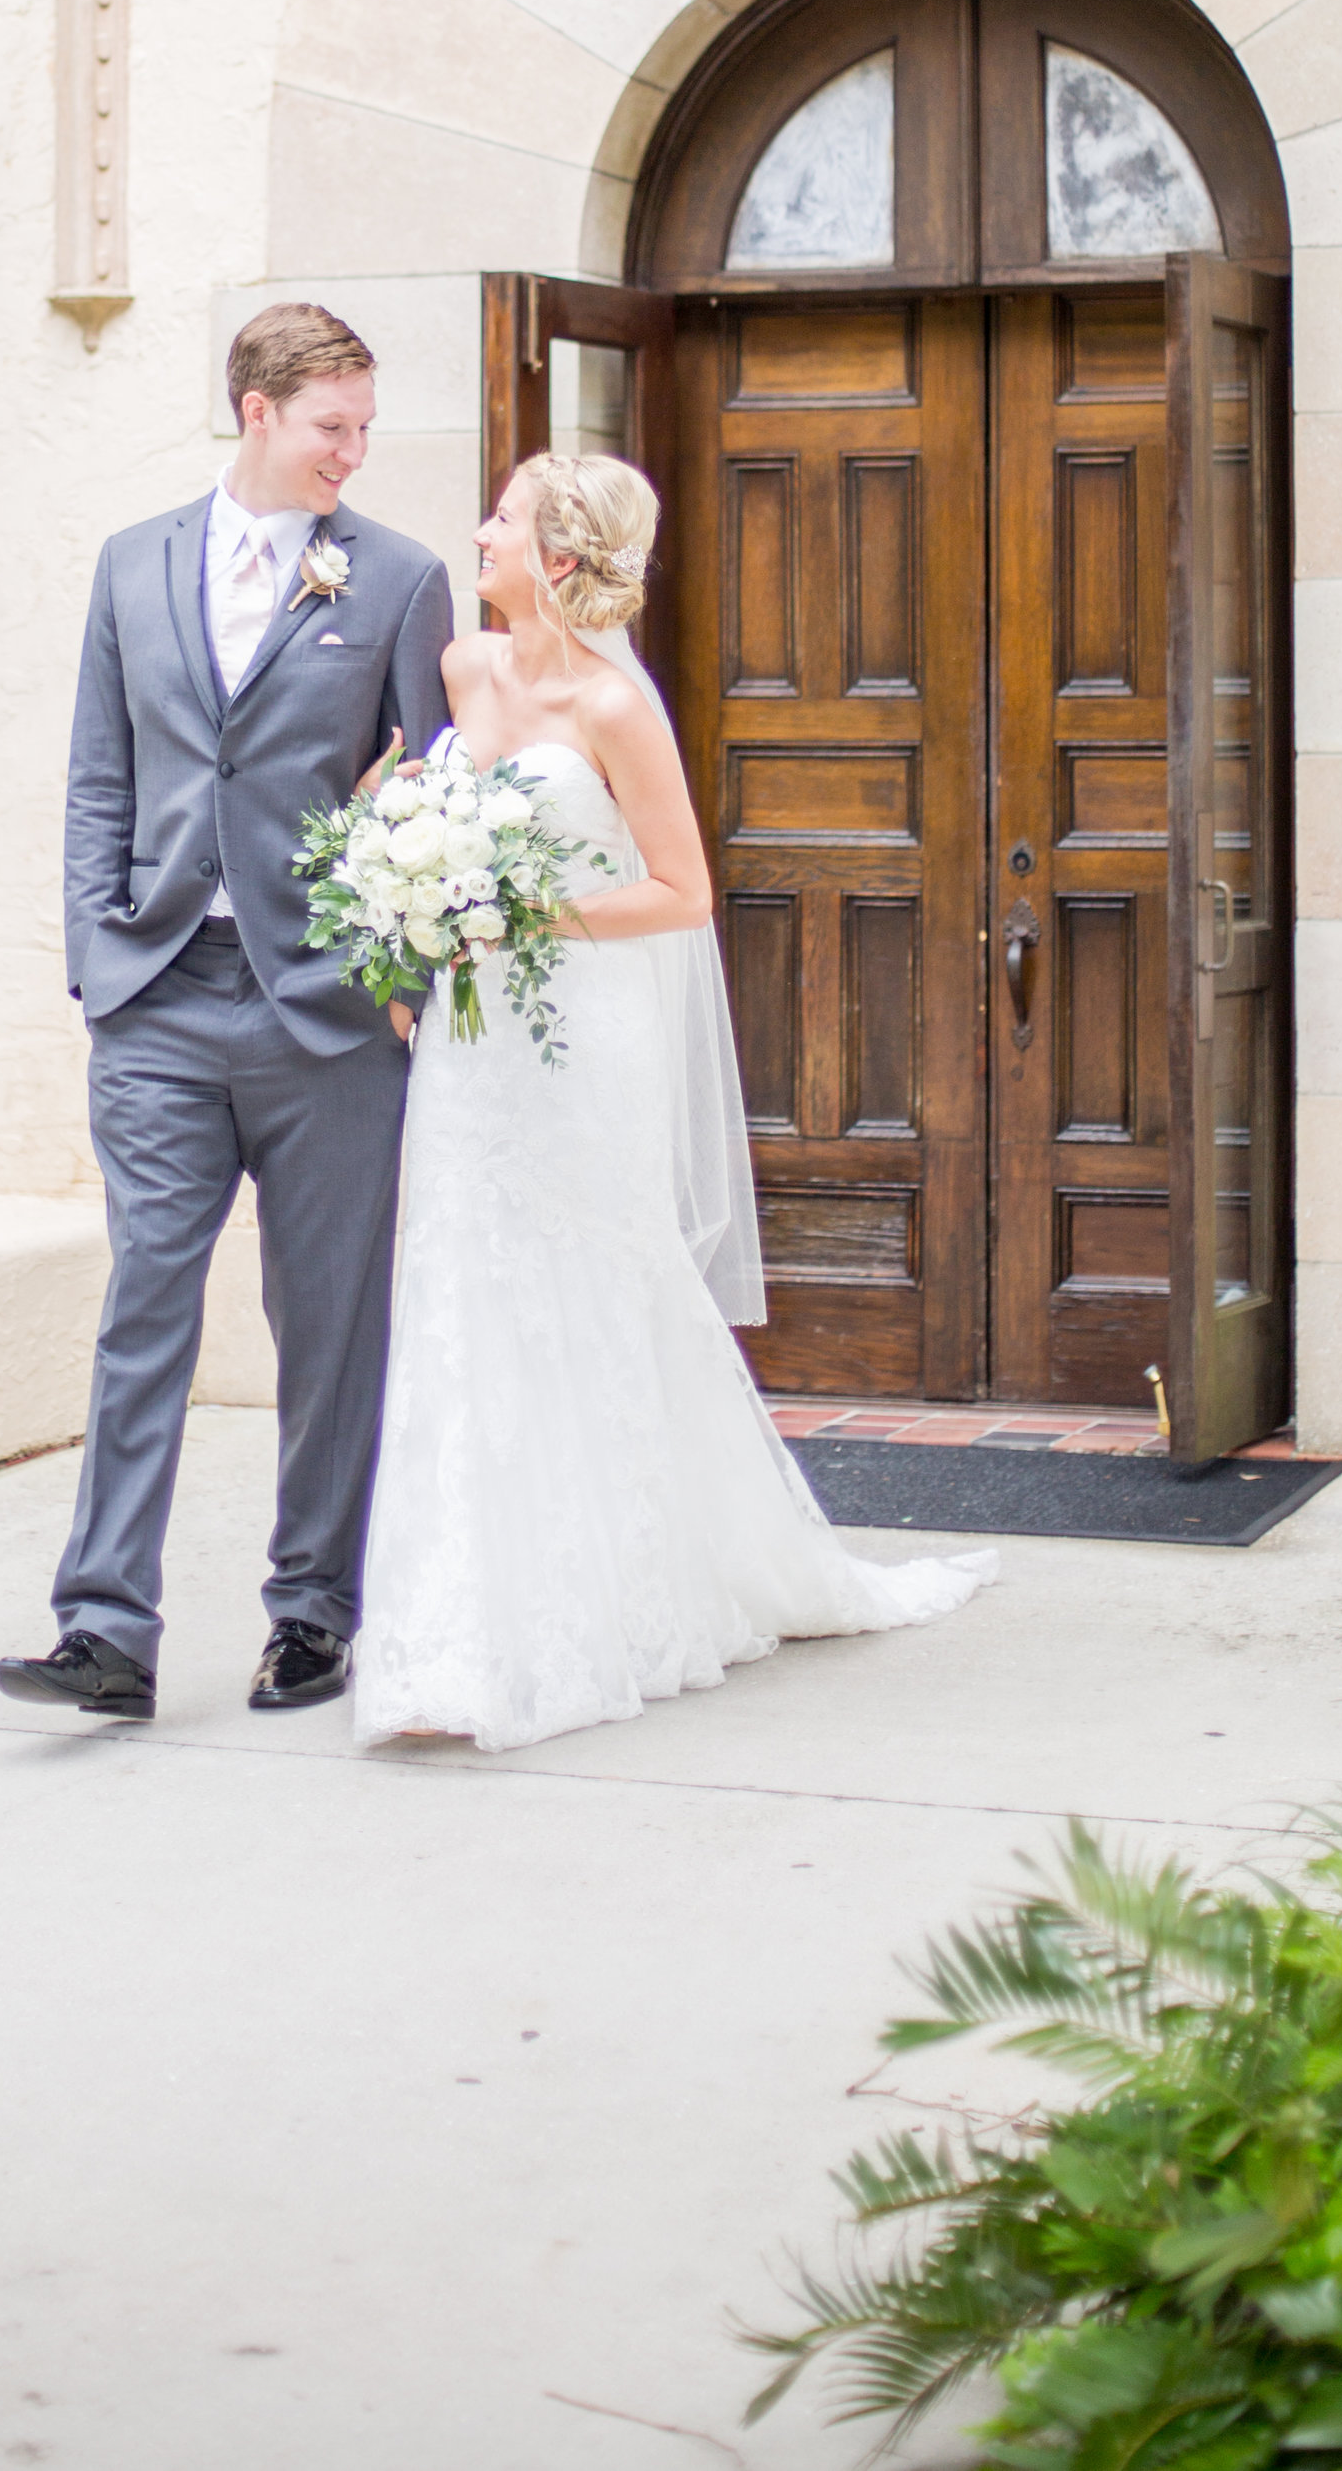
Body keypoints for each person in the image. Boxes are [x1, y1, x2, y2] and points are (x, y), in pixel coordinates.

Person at [354, 452, 992, 1755]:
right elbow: (395, 801)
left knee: (591, 1286)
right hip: (472, 1048)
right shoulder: (467, 672)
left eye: (506, 517)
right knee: (461, 1287)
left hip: (580, 1035)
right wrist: (404, 899)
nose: (480, 531)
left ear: (562, 557)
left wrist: (523, 905)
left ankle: (618, 1592)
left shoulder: (614, 702)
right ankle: (458, 1616)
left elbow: (682, 891)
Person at [0, 303, 456, 1726]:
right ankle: (104, 1626)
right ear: (255, 411)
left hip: (325, 1020)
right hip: (159, 1005)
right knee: (144, 1302)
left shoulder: (398, 578)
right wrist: (96, 959)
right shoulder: (133, 565)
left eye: (365, 428)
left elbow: (443, 789)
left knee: (327, 1327)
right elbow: (97, 776)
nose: (352, 452)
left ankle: (312, 1614)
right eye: (333, 426)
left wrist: (399, 976)